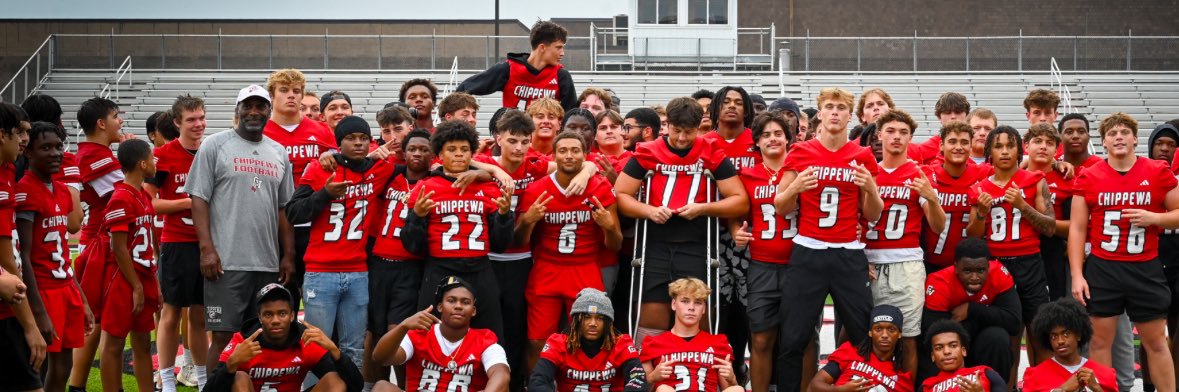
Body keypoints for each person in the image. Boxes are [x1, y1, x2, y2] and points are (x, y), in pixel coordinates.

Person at [772, 88, 882, 392]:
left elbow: (872, 214)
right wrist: (795, 188)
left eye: (841, 108)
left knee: (863, 335)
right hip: (809, 250)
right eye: (830, 107)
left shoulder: (861, 155)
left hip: (849, 253)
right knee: (793, 336)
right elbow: (781, 207)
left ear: (850, 115)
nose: (835, 112)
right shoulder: (801, 151)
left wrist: (871, 189)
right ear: (820, 113)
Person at [614, 96, 748, 345]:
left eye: (689, 132)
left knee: (696, 311)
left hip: (696, 245)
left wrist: (704, 208)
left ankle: (699, 369)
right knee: (652, 313)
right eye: (677, 131)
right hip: (655, 244)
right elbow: (621, 195)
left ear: (699, 127)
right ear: (667, 126)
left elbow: (740, 200)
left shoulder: (711, 152)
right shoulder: (648, 151)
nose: (682, 138)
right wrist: (648, 211)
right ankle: (648, 373)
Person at [189, 84, 297, 374]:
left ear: (268, 111)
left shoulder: (278, 152)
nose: (253, 112)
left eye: (260, 106)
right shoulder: (215, 145)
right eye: (247, 106)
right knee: (223, 337)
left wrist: (288, 255)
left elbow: (283, 208)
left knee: (259, 336)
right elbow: (198, 198)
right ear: (236, 111)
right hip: (226, 262)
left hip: (265, 263)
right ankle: (213, 387)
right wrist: (207, 249)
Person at [1069, 112, 1178, 392]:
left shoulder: (1156, 171)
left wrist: (1154, 218)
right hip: (1104, 267)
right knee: (1099, 342)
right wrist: (1077, 275)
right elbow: (1078, 229)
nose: (1119, 137)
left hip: (1145, 266)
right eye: (1113, 133)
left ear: (1135, 139)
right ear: (1103, 142)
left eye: (1124, 132)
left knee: (1155, 343)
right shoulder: (1090, 175)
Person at [285, 115, 395, 374]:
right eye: (350, 138)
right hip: (320, 271)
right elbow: (293, 213)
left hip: (358, 272)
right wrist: (324, 194)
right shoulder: (321, 168)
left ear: (371, 142)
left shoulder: (379, 169)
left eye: (363, 138)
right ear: (338, 143)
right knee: (317, 346)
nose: (358, 143)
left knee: (353, 347)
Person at [517, 131, 621, 373]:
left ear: (585, 156)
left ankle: (582, 384)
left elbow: (614, 245)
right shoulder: (537, 189)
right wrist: (527, 221)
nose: (569, 155)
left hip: (585, 268)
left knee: (588, 339)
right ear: (554, 155)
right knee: (536, 341)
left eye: (575, 150)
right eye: (563, 150)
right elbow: (521, 240)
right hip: (546, 268)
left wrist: (609, 227)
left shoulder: (600, 187)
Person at [402, 120, 514, 338]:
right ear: (440, 155)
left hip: (479, 269)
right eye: (451, 149)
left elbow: (500, 245)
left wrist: (503, 216)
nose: (459, 155)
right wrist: (418, 217)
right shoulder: (426, 188)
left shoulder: (488, 188)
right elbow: (412, 246)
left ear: (472, 153)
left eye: (464, 150)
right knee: (428, 334)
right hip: (439, 269)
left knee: (489, 336)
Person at [864, 109, 946, 375]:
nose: (896, 137)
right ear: (879, 135)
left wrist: (931, 198)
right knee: (862, 334)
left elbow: (938, 225)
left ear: (911, 137)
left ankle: (904, 385)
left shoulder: (918, 173)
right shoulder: (869, 172)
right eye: (890, 131)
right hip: (870, 262)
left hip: (906, 262)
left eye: (903, 132)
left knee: (908, 336)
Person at [965, 125, 1054, 368]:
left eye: (1010, 146)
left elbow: (1049, 227)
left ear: (1019, 150)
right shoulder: (980, 187)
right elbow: (972, 235)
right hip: (996, 266)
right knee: (1007, 335)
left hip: (1030, 262)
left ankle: (1041, 387)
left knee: (1039, 332)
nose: (1004, 151)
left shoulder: (1035, 180)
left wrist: (1023, 206)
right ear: (989, 152)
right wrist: (982, 213)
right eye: (998, 146)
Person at [16, 121, 90, 392]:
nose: (55, 153)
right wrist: (38, 310)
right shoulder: (25, 191)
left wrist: (80, 298)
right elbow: (23, 255)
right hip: (43, 290)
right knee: (40, 365)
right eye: (45, 147)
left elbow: (60, 246)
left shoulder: (61, 190)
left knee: (64, 367)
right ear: (29, 153)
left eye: (59, 147)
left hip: (65, 285)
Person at [729, 112, 799, 392]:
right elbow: (735, 213)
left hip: (800, 266)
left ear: (787, 138)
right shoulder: (746, 175)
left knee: (799, 339)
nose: (773, 139)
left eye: (778, 134)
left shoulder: (800, 170)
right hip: (762, 266)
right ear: (756, 141)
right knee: (760, 339)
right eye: (766, 135)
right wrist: (736, 230)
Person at [146, 94, 211, 392]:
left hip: (207, 243)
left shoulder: (213, 150)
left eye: (201, 118)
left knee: (199, 314)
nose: (198, 124)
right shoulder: (163, 156)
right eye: (191, 120)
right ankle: (168, 379)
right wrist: (189, 202)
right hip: (177, 243)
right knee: (171, 312)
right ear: (176, 123)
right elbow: (148, 203)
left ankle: (201, 376)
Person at [83, 138, 159, 392]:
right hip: (124, 279)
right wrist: (136, 286)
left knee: (142, 344)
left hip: (144, 273)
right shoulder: (120, 197)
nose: (155, 161)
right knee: (114, 344)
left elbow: (147, 241)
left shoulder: (141, 194)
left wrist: (153, 282)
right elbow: (118, 248)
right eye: (151, 157)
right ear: (142, 163)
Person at [262, 69, 337, 309]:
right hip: (273, 223)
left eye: (296, 91)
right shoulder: (261, 132)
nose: (291, 96)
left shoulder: (321, 131)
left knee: (318, 294)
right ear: (272, 96)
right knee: (278, 296)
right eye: (284, 91)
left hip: (313, 222)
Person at [206, 283, 362, 392]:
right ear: (259, 317)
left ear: (292, 315)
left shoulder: (305, 339)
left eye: (282, 313)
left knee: (335, 379)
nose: (275, 320)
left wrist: (335, 351)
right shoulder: (243, 341)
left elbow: (355, 386)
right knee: (238, 376)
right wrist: (231, 364)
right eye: (268, 314)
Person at [371, 276, 511, 392]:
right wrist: (403, 326)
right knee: (382, 387)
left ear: (473, 311)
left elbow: (501, 375)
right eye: (451, 300)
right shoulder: (418, 334)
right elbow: (381, 358)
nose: (458, 306)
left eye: (465, 302)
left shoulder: (485, 339)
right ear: (440, 307)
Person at [922, 237, 1022, 383]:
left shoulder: (999, 273)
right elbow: (931, 335)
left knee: (997, 338)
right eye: (967, 271)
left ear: (988, 266)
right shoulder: (940, 283)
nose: (974, 277)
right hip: (952, 344)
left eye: (981, 270)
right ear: (956, 267)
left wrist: (972, 309)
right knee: (940, 348)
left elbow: (1014, 323)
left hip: (983, 340)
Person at [0, 103, 46, 392]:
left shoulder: (7, 169)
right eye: (19, 132)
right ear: (3, 135)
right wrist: (31, 326)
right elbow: (7, 259)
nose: (24, 140)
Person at [529, 288, 646, 392]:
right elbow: (538, 381)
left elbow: (638, 380)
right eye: (586, 317)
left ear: (608, 323)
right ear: (576, 320)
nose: (593, 324)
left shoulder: (622, 343)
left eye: (600, 318)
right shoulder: (558, 343)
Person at [640, 278, 742, 392]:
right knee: (664, 389)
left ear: (703, 308)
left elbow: (728, 388)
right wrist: (653, 377)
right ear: (674, 304)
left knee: (737, 389)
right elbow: (639, 389)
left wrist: (732, 379)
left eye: (698, 302)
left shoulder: (719, 342)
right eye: (685, 301)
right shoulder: (653, 343)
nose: (691, 308)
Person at [457, 20, 577, 111]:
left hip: (546, 142)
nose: (562, 53)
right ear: (542, 48)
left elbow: (571, 116)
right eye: (558, 47)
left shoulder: (561, 76)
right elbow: (463, 89)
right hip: (514, 139)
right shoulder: (508, 69)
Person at [922, 121, 988, 272]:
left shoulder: (984, 173)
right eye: (952, 141)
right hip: (932, 264)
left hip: (972, 266)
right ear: (941, 146)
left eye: (964, 142)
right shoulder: (926, 174)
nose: (958, 147)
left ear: (971, 146)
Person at [809, 305, 913, 392]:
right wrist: (841, 390)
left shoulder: (902, 380)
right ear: (870, 332)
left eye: (891, 329)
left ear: (899, 334)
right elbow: (813, 387)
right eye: (878, 329)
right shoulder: (850, 352)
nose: (884, 335)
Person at [1023, 123, 1074, 302]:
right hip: (1019, 254)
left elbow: (1077, 227)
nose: (1044, 146)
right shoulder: (1014, 176)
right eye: (1038, 141)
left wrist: (1046, 224)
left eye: (1050, 143)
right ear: (1026, 146)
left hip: (1053, 254)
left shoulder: (1068, 180)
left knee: (1053, 310)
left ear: (1057, 149)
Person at [1021, 299, 1119, 392]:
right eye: (1054, 336)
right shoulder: (1036, 376)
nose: (1060, 341)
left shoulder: (1104, 374)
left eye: (1066, 334)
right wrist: (1063, 389)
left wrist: (1097, 388)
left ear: (1079, 335)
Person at [921, 320, 1008, 392]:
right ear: (932, 356)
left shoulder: (986, 373)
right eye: (939, 348)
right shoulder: (925, 386)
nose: (946, 352)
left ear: (963, 351)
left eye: (953, 346)